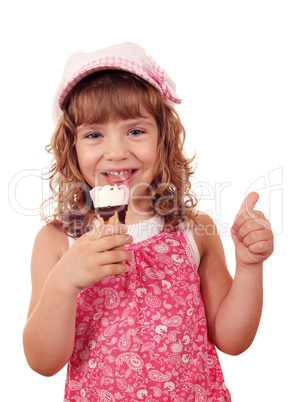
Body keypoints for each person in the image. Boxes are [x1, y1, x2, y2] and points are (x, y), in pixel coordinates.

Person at [23, 43, 274, 401]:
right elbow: (42, 362)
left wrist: (249, 266)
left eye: (135, 131)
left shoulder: (194, 231)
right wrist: (64, 281)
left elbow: (232, 340)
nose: (116, 151)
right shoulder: (58, 241)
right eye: (94, 135)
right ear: (71, 146)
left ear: (163, 140)